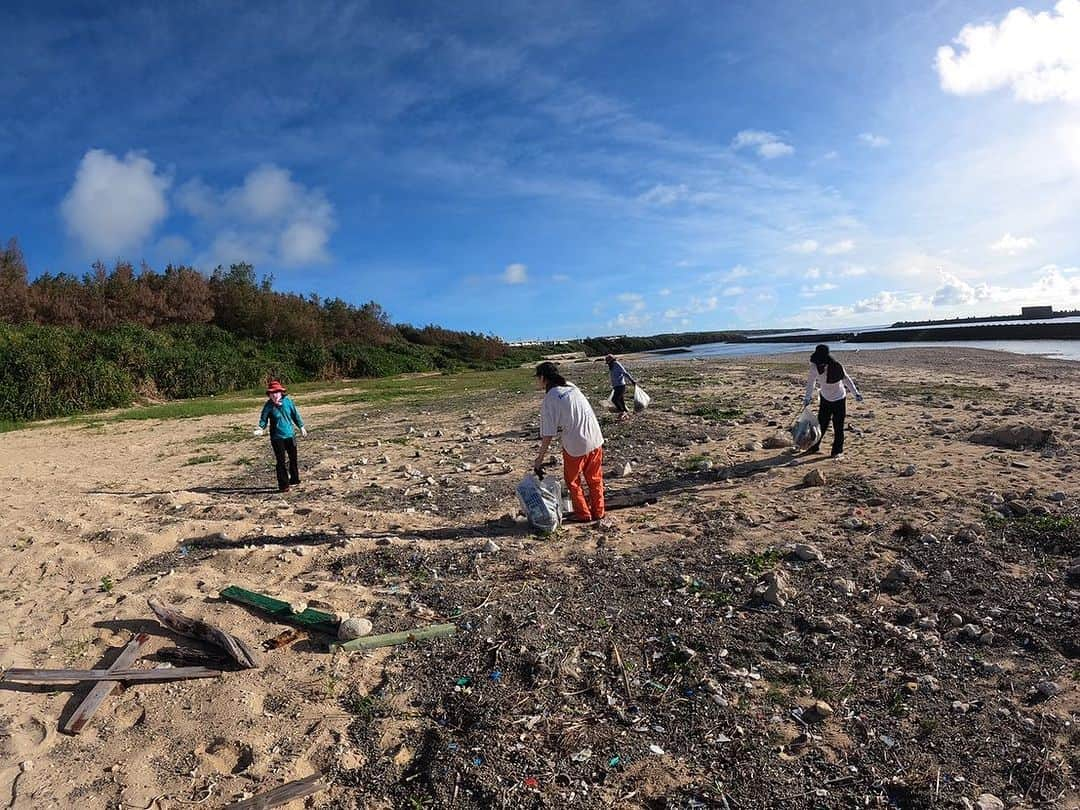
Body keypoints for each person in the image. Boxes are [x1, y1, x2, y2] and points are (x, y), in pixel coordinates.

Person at [532, 361, 605, 522]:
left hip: (576, 445)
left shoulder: (550, 399)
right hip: (595, 438)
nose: (537, 381)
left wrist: (539, 460)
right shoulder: (571, 386)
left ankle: (583, 514)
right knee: (595, 479)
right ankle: (599, 511)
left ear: (543, 378)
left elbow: (547, 435)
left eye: (537, 378)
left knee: (572, 481)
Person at [802, 344, 862, 460]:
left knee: (838, 426)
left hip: (839, 398)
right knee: (821, 425)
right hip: (825, 398)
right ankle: (814, 447)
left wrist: (856, 394)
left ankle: (837, 451)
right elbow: (811, 383)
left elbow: (847, 380)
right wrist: (807, 398)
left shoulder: (836, 366)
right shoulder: (814, 367)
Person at [254, 380, 307, 492]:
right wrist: (260, 428)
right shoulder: (268, 406)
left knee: (293, 458)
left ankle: (294, 479)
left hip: (290, 435)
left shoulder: (288, 402)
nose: (274, 395)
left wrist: (301, 427)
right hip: (277, 437)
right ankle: (284, 485)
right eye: (272, 393)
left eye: (276, 392)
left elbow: (295, 415)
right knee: (281, 461)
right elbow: (263, 419)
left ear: (281, 393)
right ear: (269, 395)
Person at [605, 354, 637, 421]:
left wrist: (632, 380)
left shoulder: (617, 364)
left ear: (612, 360)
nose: (608, 364)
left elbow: (625, 373)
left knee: (614, 400)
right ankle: (626, 414)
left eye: (608, 362)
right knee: (621, 401)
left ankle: (622, 412)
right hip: (616, 386)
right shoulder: (611, 366)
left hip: (621, 386)